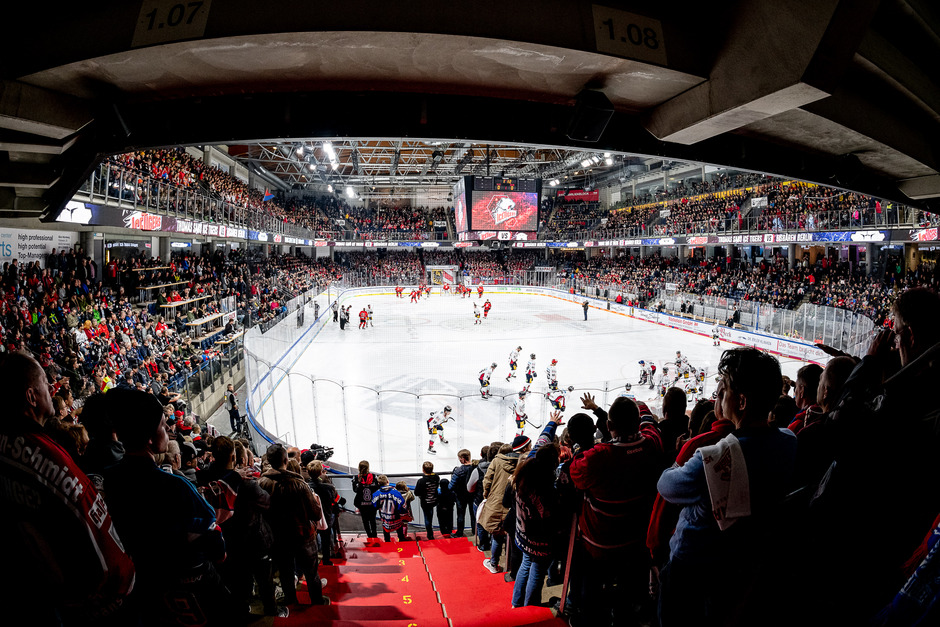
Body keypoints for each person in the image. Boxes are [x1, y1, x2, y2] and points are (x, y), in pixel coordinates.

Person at [656, 348, 797, 626]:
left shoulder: (713, 458)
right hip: (742, 562)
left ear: (741, 401)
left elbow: (667, 485)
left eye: (726, 389)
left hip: (693, 568)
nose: (719, 394)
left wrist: (676, 462)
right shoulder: (788, 441)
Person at [0, 353, 135, 625]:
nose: (51, 390)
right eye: (44, 383)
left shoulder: (10, 441)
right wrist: (119, 588)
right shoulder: (41, 456)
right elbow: (95, 532)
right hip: (95, 604)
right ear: (30, 396)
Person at [103, 388, 235, 625]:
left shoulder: (110, 479)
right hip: (191, 585)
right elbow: (214, 540)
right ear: (150, 438)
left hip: (148, 586)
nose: (169, 431)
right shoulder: (175, 486)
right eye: (164, 426)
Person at [569, 396, 663, 625]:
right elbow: (649, 424)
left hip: (600, 543)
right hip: (636, 539)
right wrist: (637, 405)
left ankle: (590, 618)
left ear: (609, 427)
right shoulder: (652, 443)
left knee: (590, 584)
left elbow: (575, 472)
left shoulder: (597, 457)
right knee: (628, 593)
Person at [259, 443, 329, 607]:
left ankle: (291, 600)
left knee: (285, 572)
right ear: (285, 460)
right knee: (311, 572)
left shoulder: (261, 483)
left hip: (277, 537)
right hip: (302, 535)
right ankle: (317, 601)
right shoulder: (299, 484)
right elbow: (316, 514)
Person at [511, 442, 562, 607]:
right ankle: (530, 607)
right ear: (553, 464)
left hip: (523, 534)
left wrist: (552, 424)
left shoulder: (524, 474)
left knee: (526, 564)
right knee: (538, 571)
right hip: (539, 538)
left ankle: (517, 603)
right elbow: (550, 517)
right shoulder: (546, 488)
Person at [480, 436, 532, 574]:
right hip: (516, 505)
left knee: (497, 535)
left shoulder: (497, 461)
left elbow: (487, 481)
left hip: (497, 503)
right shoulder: (526, 461)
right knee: (516, 535)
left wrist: (486, 496)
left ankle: (494, 563)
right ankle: (513, 566)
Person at [371, 475, 407, 542]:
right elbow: (403, 506)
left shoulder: (376, 494)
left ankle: (387, 542)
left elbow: (374, 506)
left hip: (385, 520)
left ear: (378, 483)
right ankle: (402, 542)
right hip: (397, 519)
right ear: (387, 481)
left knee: (386, 535)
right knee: (400, 534)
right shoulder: (396, 493)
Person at [353, 460, 381, 545]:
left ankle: (369, 536)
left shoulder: (356, 478)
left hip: (362, 503)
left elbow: (355, 490)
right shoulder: (373, 476)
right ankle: (374, 536)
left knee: (365, 521)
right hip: (372, 503)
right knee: (372, 520)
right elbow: (377, 488)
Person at [449, 449, 475, 537]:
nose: (459, 460)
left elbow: (451, 486)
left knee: (460, 515)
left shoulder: (458, 471)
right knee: (473, 515)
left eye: (460, 458)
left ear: (463, 459)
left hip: (460, 496)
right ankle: (475, 532)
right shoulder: (475, 468)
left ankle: (460, 532)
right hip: (473, 495)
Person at [415, 461, 441, 539]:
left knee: (427, 518)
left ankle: (430, 534)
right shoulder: (436, 477)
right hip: (434, 500)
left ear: (423, 470)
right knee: (430, 515)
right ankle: (430, 533)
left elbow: (416, 492)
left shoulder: (421, 481)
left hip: (425, 502)